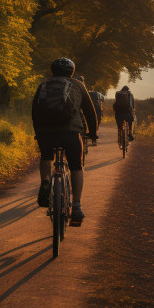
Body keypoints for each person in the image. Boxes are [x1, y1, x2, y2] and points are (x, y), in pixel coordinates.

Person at [31, 58, 98, 225]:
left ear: (52, 70)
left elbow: (34, 111)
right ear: (72, 72)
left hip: (46, 133)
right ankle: (76, 206)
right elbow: (90, 112)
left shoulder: (43, 85)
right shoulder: (78, 85)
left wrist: (39, 132)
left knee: (46, 157)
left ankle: (46, 181)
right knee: (76, 167)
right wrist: (93, 133)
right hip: (71, 133)